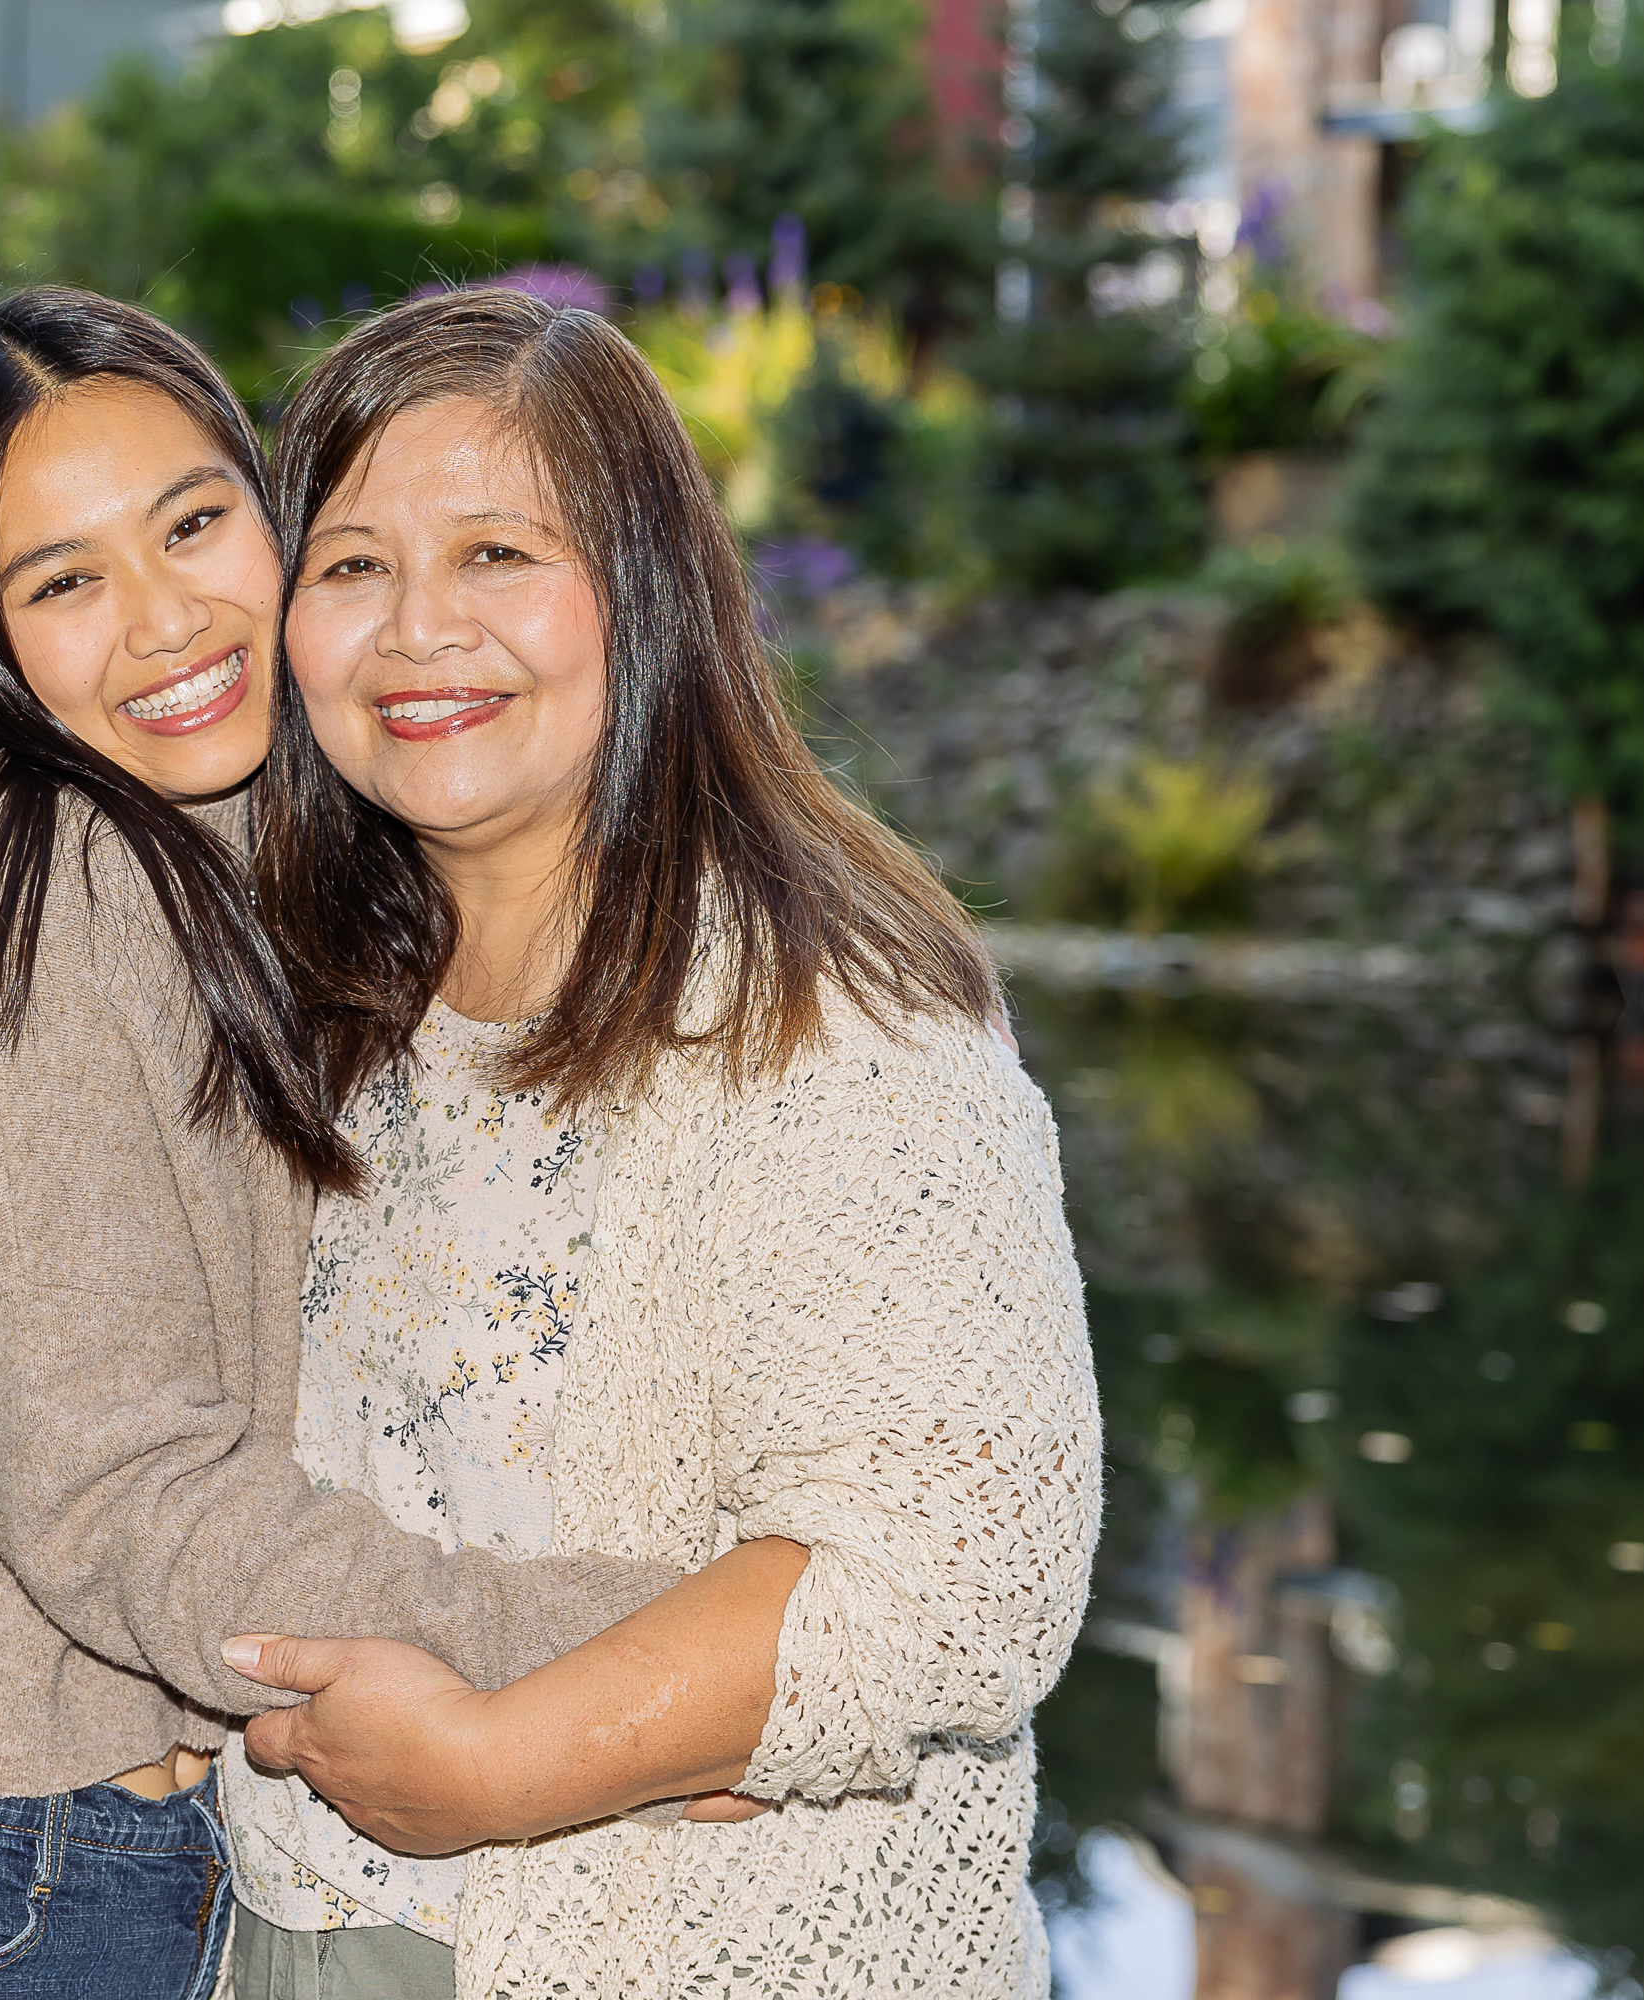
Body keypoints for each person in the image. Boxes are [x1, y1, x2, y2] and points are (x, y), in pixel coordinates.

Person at [0, 288, 682, 2000]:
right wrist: (653, 1664)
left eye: (194, 524)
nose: (164, 621)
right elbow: (128, 1489)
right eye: (61, 582)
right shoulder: (46, 914)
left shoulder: (176, 875)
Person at [219, 286, 1101, 1998]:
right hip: (278, 1931)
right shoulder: (292, 993)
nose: (419, 630)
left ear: (647, 591)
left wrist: (499, 1766)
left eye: (497, 554)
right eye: (351, 565)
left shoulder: (839, 1020)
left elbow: (958, 1577)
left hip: (678, 1950)